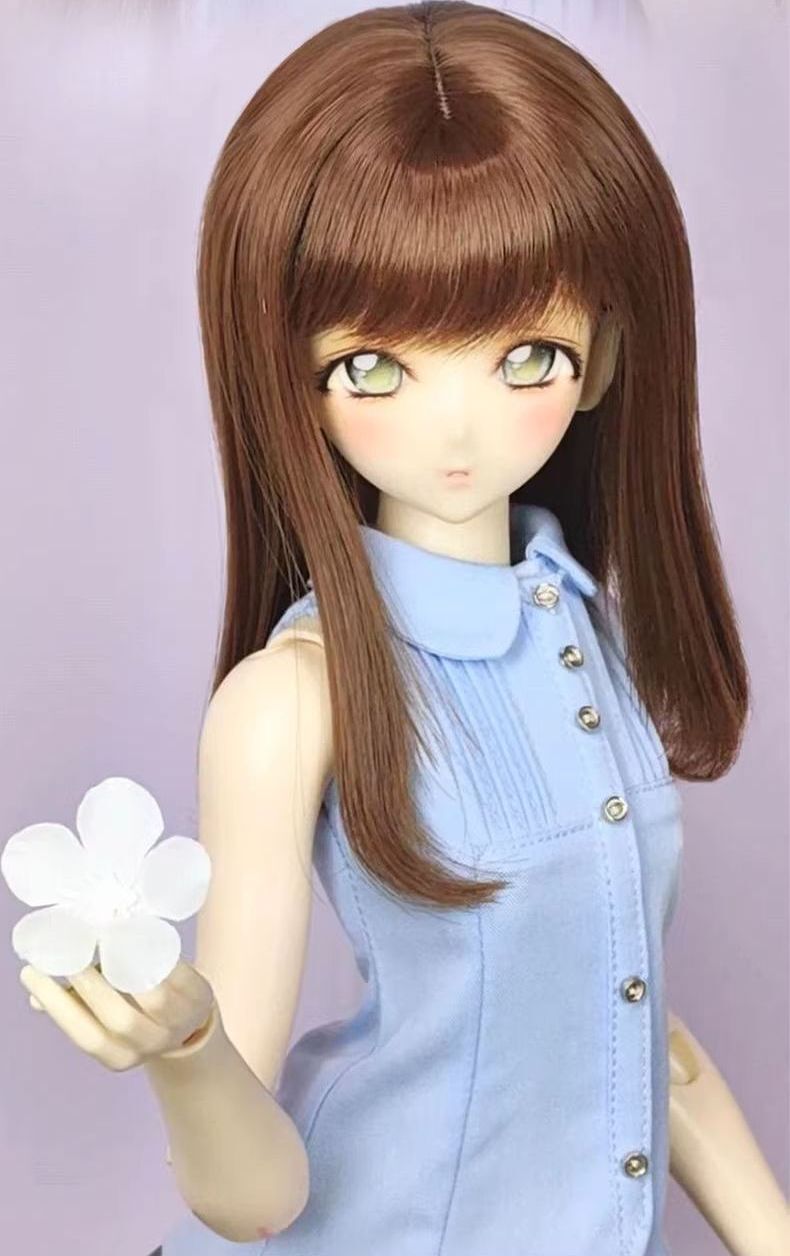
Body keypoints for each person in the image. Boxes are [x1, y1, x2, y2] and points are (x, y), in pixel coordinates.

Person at [26, 3, 786, 1254]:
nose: (456, 428)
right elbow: (254, 1199)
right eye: (374, 367)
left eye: (525, 354)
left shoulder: (576, 624)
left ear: (600, 360)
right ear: (293, 378)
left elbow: (629, 1018)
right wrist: (190, 1046)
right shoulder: (292, 696)